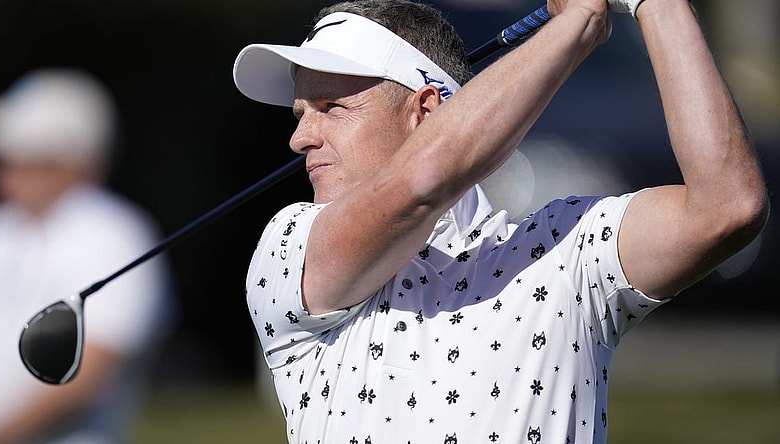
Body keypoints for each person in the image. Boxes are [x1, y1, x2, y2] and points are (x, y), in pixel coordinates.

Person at [234, 0, 769, 442]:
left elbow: (727, 209)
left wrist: (659, 5)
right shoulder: (286, 247)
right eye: (301, 115)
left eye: (331, 108)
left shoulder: (563, 250)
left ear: (426, 112)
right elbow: (420, 184)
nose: (299, 138)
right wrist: (579, 23)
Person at [0, 68, 172, 443]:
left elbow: (92, 371)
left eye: (30, 160)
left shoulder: (114, 233)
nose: (9, 173)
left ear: (74, 163)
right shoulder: (4, 227)